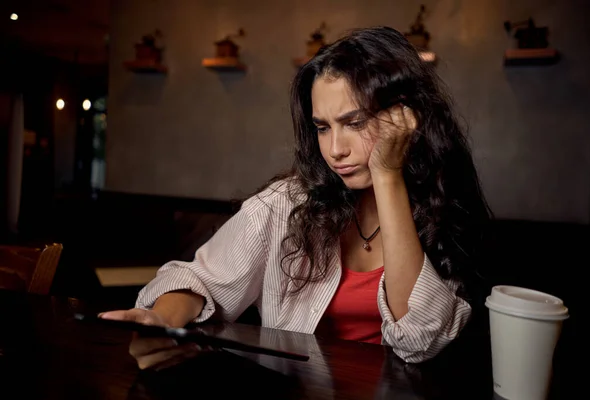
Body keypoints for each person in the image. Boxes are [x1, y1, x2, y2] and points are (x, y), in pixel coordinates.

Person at [100, 26, 492, 370]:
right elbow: (200, 278)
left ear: (404, 120)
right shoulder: (287, 202)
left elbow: (421, 340)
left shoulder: (445, 207)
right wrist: (162, 320)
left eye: (354, 123)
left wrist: (387, 176)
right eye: (322, 127)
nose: (335, 148)